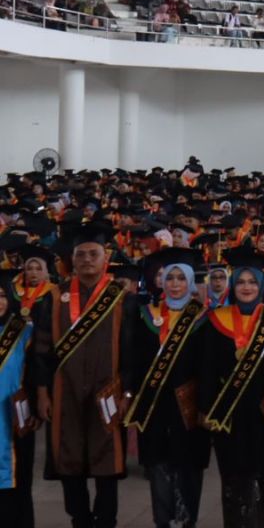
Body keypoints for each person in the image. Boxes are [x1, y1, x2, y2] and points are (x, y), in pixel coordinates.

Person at [33, 224, 139, 528]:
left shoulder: (122, 300)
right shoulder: (54, 299)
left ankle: (106, 520)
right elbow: (41, 350)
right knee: (69, 459)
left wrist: (127, 393)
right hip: (64, 391)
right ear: (72, 259)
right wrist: (42, 392)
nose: (87, 260)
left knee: (108, 460)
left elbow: (132, 353)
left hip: (108, 392)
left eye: (94, 254)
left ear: (105, 258)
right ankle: (79, 519)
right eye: (81, 254)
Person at [199, 249, 264, 528]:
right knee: (233, 477)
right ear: (232, 285)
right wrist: (205, 408)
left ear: (262, 285)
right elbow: (206, 369)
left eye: (252, 282)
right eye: (240, 282)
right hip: (229, 414)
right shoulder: (215, 322)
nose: (246, 287)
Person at [124, 251, 211, 528]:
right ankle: (162, 521)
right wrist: (130, 395)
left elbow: (208, 368)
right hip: (155, 406)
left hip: (189, 406)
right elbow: (135, 360)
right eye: (170, 277)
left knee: (189, 468)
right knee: (158, 466)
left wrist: (205, 406)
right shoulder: (146, 316)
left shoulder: (203, 320)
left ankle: (186, 521)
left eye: (181, 278)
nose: (174, 284)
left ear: (190, 282)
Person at [0, 269, 36, 528]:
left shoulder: (22, 331)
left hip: (13, 417)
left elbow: (35, 372)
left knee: (16, 479)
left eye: (2, 295)